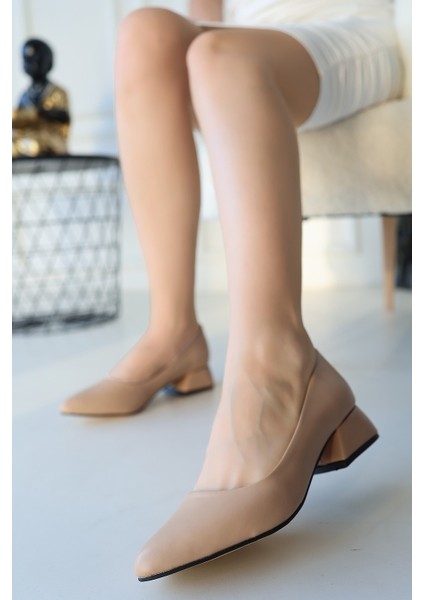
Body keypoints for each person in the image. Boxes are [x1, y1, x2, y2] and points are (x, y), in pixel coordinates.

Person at [60, 0, 403, 581]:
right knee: (145, 33)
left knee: (222, 58)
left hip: (354, 30)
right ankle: (173, 334)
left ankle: (277, 365)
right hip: (252, 32)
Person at [12, 38, 70, 157]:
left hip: (50, 140)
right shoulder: (25, 95)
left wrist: (39, 113)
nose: (31, 65)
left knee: (36, 143)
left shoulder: (58, 92)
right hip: (28, 138)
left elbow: (64, 116)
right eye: (27, 61)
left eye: (36, 61)